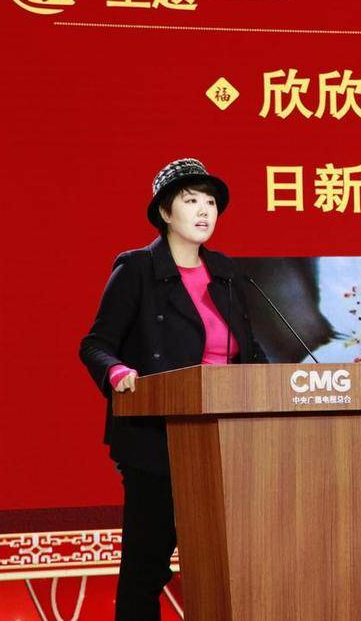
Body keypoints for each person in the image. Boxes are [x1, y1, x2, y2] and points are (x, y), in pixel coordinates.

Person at [78, 157, 267, 620]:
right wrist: (118, 372)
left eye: (211, 203)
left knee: (225, 565)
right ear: (165, 212)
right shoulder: (138, 268)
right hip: (158, 440)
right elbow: (96, 345)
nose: (204, 211)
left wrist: (279, 388)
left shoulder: (226, 272)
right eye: (191, 201)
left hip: (226, 439)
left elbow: (249, 351)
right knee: (146, 569)